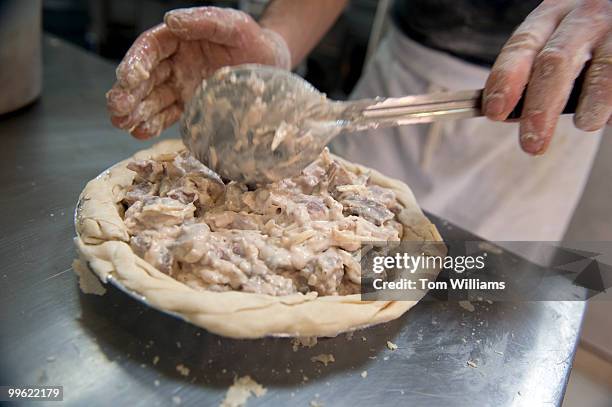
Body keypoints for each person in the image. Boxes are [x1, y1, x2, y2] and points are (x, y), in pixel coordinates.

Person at [106, 0, 611, 241]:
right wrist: (279, 37)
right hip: (399, 79)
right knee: (348, 265)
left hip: (547, 104)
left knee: (466, 304)